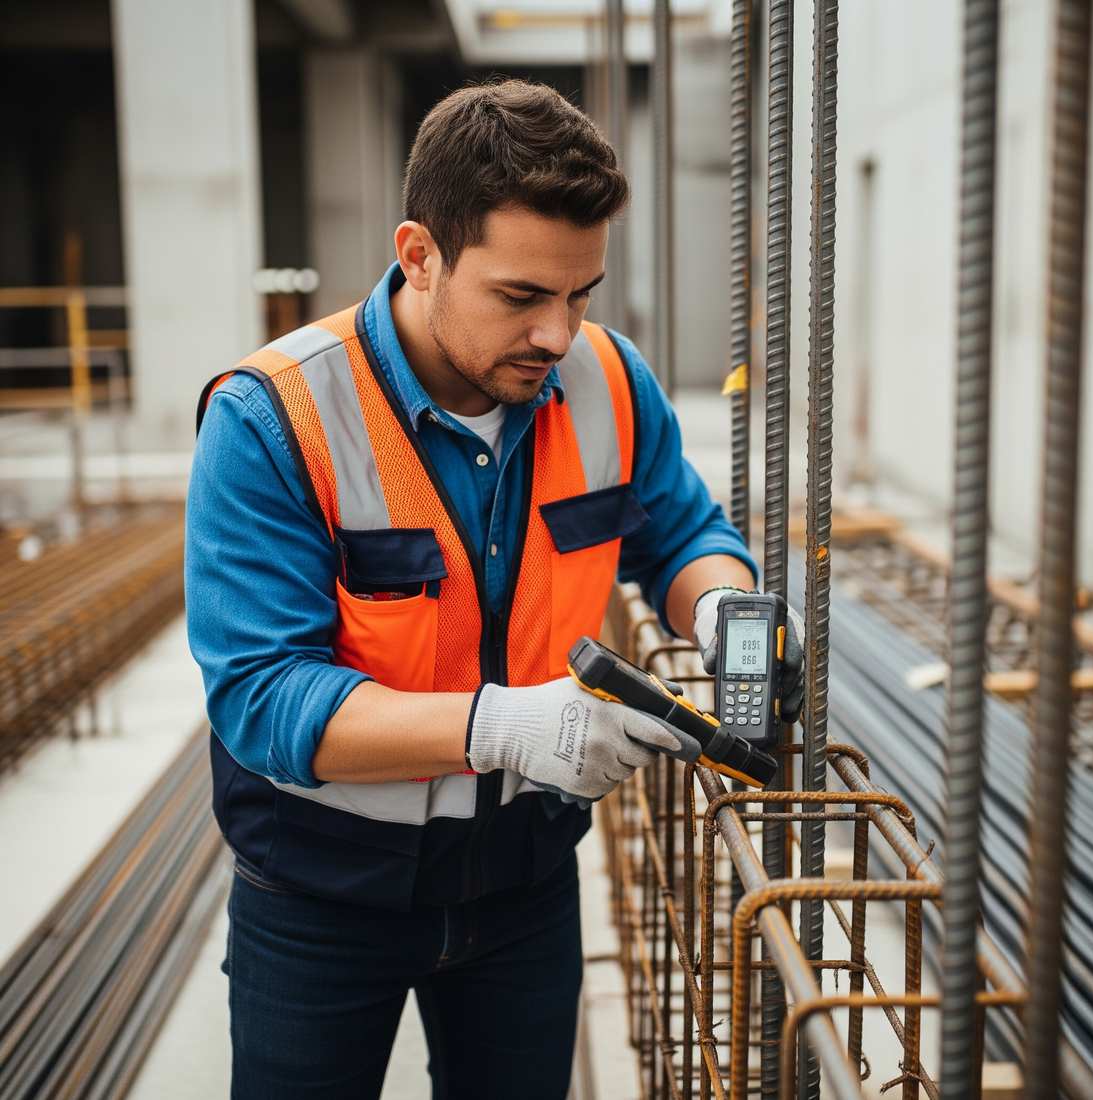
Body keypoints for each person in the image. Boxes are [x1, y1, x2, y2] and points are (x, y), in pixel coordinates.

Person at [186, 79, 803, 1100]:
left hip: (524, 883)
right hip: (318, 897)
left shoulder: (607, 379)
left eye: (579, 294)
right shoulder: (274, 417)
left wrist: (721, 604)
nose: (557, 334)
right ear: (420, 254)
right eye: (521, 297)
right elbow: (261, 696)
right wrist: (510, 726)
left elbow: (683, 532)